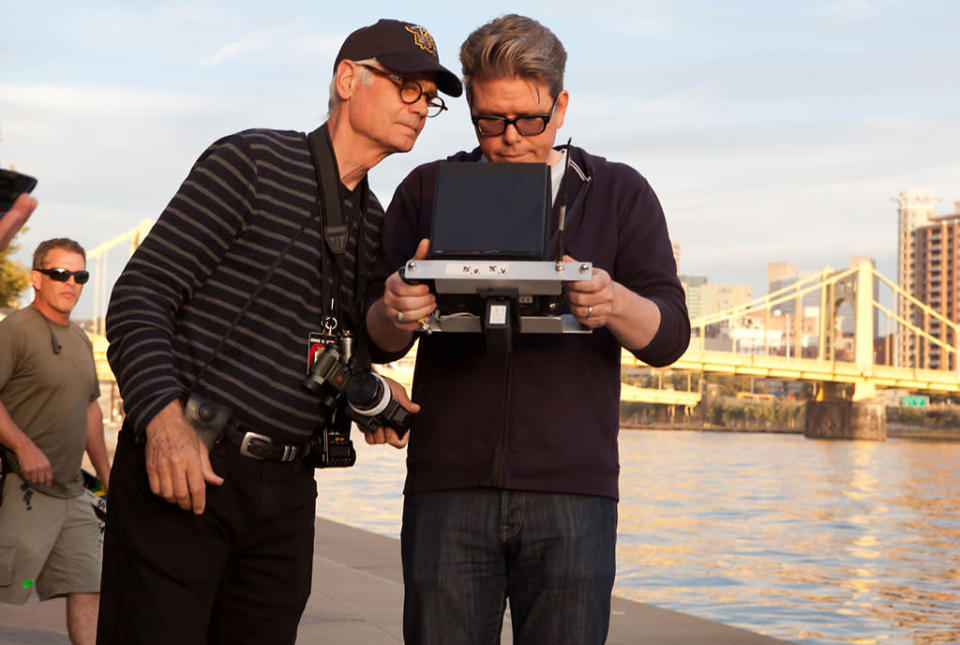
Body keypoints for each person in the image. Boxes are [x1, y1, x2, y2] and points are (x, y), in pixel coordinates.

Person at [95, 19, 461, 645]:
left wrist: (365, 391)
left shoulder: (374, 223)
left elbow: (315, 352)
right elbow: (140, 295)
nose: (421, 107)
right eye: (406, 86)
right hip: (188, 466)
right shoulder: (252, 162)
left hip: (288, 494)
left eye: (430, 97)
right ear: (349, 79)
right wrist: (163, 422)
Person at [365, 14, 691, 644]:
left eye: (529, 120)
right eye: (490, 120)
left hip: (574, 492)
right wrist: (394, 307)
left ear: (561, 105)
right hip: (448, 487)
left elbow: (669, 336)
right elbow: (378, 337)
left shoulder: (619, 194)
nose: (509, 138)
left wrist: (612, 300)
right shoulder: (426, 189)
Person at [0, 238, 110, 645]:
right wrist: (23, 445)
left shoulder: (81, 340)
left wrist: (106, 475)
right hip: (23, 490)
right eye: (60, 274)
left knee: (89, 585)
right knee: (10, 587)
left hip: (72, 494)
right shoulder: (15, 330)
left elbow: (91, 413)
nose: (71, 283)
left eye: (79, 275)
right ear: (36, 278)